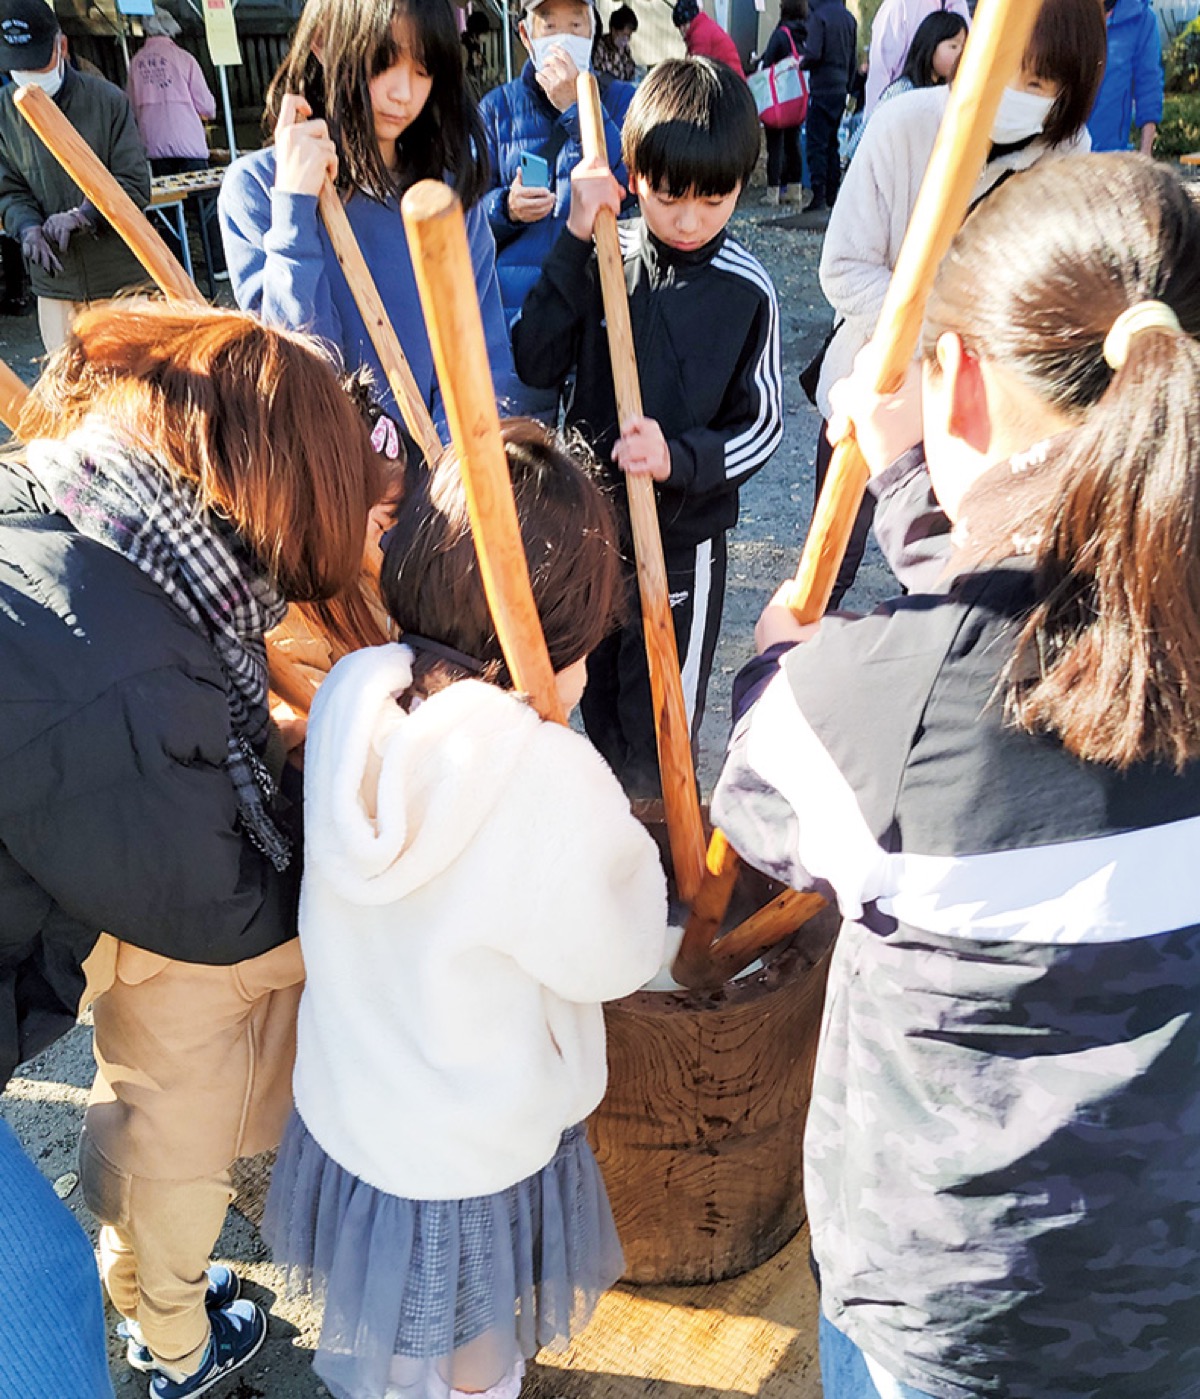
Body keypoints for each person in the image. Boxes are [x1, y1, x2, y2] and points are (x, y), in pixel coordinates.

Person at [712, 150, 1200, 1399]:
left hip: (952, 1308)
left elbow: (759, 799)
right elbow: (1068, 562)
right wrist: (911, 482)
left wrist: (775, 665)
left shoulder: (865, 705)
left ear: (958, 381)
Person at [0, 299, 383, 1398]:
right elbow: (217, 899)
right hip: (169, 1006)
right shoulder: (119, 667)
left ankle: (153, 1301)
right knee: (42, 1310)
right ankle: (169, 1348)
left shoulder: (81, 500)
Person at [264, 419, 668, 1399]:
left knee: (401, 1322)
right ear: (551, 636)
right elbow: (612, 952)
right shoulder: (540, 773)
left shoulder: (359, 695)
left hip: (364, 1107)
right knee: (480, 1341)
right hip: (475, 1140)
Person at [513, 57, 782, 798]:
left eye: (713, 197)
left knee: (662, 715)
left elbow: (762, 424)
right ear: (634, 175)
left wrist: (681, 457)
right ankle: (604, 844)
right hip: (588, 535)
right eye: (668, 197)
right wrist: (572, 234)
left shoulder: (746, 290)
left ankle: (666, 857)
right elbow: (534, 356)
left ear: (739, 185)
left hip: (684, 546)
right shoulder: (605, 254)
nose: (689, 219)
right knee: (590, 702)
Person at [812, 0, 1104, 607]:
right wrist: (929, 348)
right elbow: (842, 268)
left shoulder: (1068, 153)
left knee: (940, 573)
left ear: (1068, 92)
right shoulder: (905, 125)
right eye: (1006, 69)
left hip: (979, 415)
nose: (1015, 92)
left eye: (1037, 82)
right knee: (831, 558)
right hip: (876, 383)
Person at [219, 0, 524, 450]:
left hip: (439, 493)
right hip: (328, 491)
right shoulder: (258, 190)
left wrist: (449, 484)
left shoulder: (444, 196)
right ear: (322, 41)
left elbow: (481, 361)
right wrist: (294, 211)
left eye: (423, 69)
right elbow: (293, 374)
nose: (403, 93)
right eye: (383, 61)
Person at [0, 0, 150, 352]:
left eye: (37, 63)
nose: (28, 74)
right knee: (69, 395)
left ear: (62, 46)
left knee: (135, 390)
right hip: (54, 284)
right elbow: (9, 189)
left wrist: (84, 216)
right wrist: (27, 228)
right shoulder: (3, 112)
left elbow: (135, 184)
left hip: (120, 281)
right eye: (17, 67)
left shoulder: (108, 100)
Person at [478, 0, 635, 334]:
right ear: (525, 35)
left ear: (593, 31)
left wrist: (577, 108)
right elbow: (463, 220)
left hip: (602, 314)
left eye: (576, 26)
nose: (563, 39)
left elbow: (634, 188)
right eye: (549, 27)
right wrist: (506, 208)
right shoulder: (495, 110)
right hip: (516, 319)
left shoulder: (626, 101)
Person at [126, 5, 226, 278]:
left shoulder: (135, 62)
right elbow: (206, 106)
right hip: (189, 144)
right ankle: (217, 265)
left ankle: (177, 269)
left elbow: (131, 107)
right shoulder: (184, 59)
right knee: (205, 205)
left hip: (154, 146)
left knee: (169, 211)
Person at [845, 9, 967, 160]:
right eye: (953, 46)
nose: (961, 54)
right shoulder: (902, 91)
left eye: (965, 47)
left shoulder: (946, 96)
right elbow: (864, 139)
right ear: (930, 46)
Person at [799, 0, 857, 215]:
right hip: (840, 88)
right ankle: (834, 193)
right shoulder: (848, 18)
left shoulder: (818, 17)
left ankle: (819, 194)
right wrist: (848, 85)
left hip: (822, 86)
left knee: (817, 143)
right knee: (832, 142)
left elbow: (814, 53)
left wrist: (802, 63)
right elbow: (852, 58)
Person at [863, 0, 970, 115]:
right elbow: (880, 72)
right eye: (953, 47)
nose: (960, 52)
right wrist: (873, 118)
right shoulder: (900, 6)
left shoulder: (958, 5)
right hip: (898, 109)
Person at [1087, 0, 1163, 154]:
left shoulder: (1143, 19)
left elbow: (1149, 86)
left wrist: (1145, 152)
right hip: (1063, 155)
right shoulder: (1068, 13)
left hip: (1111, 155)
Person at [757, 0, 809, 207]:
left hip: (779, 98)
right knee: (793, 142)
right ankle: (795, 190)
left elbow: (768, 62)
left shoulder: (781, 34)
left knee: (775, 144)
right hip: (796, 97)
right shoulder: (806, 34)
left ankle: (773, 193)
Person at [672, 0, 744, 77]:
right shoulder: (704, 26)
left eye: (684, 25)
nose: (682, 31)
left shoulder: (700, 35)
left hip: (728, 80)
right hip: (731, 77)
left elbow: (696, 68)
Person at [593, 3, 638, 83]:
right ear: (613, 30)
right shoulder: (599, 48)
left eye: (629, 36)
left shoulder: (625, 50)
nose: (626, 39)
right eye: (624, 35)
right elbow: (599, 77)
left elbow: (632, 72)